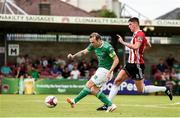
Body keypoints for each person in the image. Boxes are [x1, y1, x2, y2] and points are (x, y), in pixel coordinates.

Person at [97, 17, 173, 111]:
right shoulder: (137, 35)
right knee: (117, 81)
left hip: (137, 65)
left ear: (135, 24)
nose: (129, 27)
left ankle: (165, 89)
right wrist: (143, 47)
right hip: (130, 64)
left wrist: (123, 42)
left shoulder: (140, 34)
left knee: (141, 90)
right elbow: (148, 45)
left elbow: (136, 46)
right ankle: (108, 104)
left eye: (129, 24)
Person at [66, 32, 119, 112]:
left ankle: (74, 101)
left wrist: (110, 72)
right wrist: (73, 56)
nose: (91, 44)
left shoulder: (107, 47)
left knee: (89, 84)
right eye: (90, 42)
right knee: (94, 90)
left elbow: (116, 60)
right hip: (101, 70)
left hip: (106, 71)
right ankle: (111, 105)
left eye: (93, 42)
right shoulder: (93, 45)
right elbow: (84, 52)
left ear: (99, 40)